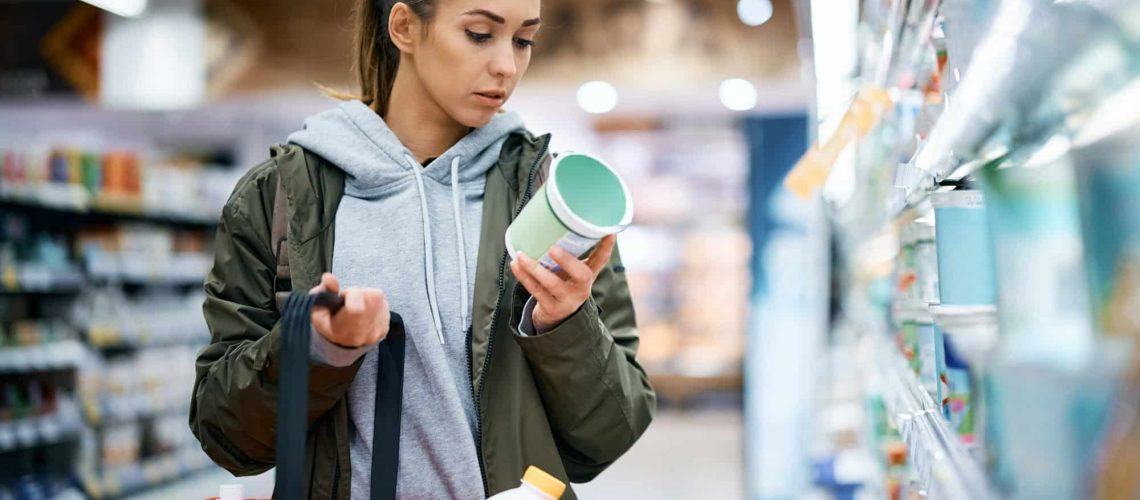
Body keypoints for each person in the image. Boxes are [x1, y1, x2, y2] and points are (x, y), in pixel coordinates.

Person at [188, 0, 656, 498]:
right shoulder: (278, 197)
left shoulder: (551, 200)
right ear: (405, 26)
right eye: (480, 33)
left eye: (524, 40)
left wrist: (564, 327)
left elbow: (610, 435)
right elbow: (227, 436)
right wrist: (320, 348)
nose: (506, 65)